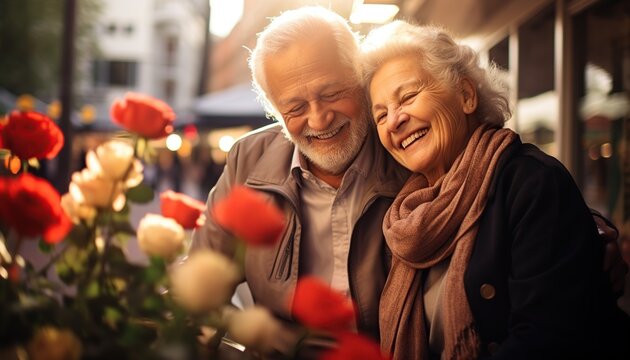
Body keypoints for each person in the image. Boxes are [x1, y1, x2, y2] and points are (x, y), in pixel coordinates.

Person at [190, 6, 624, 358]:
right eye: (295, 106)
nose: (319, 119)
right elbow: (196, 285)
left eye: (331, 92)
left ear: (358, 82)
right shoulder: (249, 161)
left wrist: (587, 230)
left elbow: (490, 180)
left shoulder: (405, 150)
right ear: (275, 112)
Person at [360, 21, 630, 359]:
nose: (395, 120)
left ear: (467, 96)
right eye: (381, 115)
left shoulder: (532, 182)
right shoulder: (407, 213)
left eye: (409, 96)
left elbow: (547, 339)